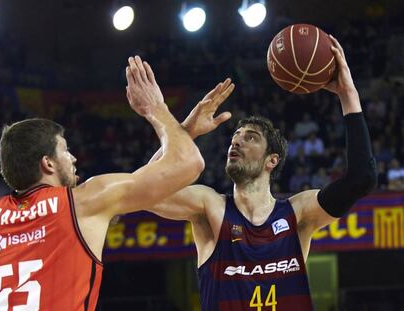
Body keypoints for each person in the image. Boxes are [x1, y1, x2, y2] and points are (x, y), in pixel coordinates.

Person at [147, 36, 377, 310]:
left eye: (251, 137)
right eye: (235, 136)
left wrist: (347, 94)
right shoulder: (210, 208)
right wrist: (186, 133)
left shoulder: (298, 213)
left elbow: (362, 177)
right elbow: (145, 192)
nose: (237, 141)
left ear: (272, 160)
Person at [0, 56, 234, 310]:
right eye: (65, 150)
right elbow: (188, 163)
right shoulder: (82, 202)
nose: (73, 157)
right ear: (48, 163)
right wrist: (155, 108)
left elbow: (153, 181)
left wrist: (184, 133)